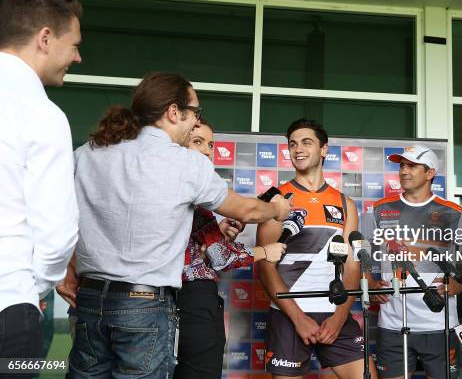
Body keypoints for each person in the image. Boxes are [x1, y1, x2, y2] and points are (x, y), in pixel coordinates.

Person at [63, 72, 291, 378]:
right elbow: (249, 210)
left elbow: (52, 214)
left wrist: (64, 268)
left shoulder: (88, 152)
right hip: (144, 305)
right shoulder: (186, 163)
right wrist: (276, 209)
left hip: (90, 301)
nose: (196, 122)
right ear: (173, 112)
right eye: (195, 112)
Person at [0, 0, 82, 360]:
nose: (77, 57)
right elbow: (57, 233)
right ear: (45, 38)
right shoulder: (42, 114)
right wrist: (26, 290)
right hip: (9, 308)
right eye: (75, 44)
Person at [257, 118, 375, 378]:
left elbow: (352, 268)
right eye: (293, 144)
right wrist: (298, 318)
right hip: (288, 314)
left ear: (324, 150)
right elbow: (264, 266)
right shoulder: (277, 199)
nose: (298, 149)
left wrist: (340, 316)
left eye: (306, 142)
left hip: (334, 313)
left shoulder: (345, 202)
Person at [174, 120, 287, 379]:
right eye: (197, 142)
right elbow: (221, 258)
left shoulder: (174, 187)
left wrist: (218, 234)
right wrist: (265, 252)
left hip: (173, 302)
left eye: (210, 144)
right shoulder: (192, 191)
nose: (206, 151)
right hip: (194, 303)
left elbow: (205, 250)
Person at [364, 145, 462, 379]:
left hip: (439, 324)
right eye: (402, 166)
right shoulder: (379, 210)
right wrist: (369, 282)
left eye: (412, 166)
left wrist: (461, 283)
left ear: (430, 173)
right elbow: (362, 253)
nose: (404, 171)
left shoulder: (453, 212)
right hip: (393, 323)